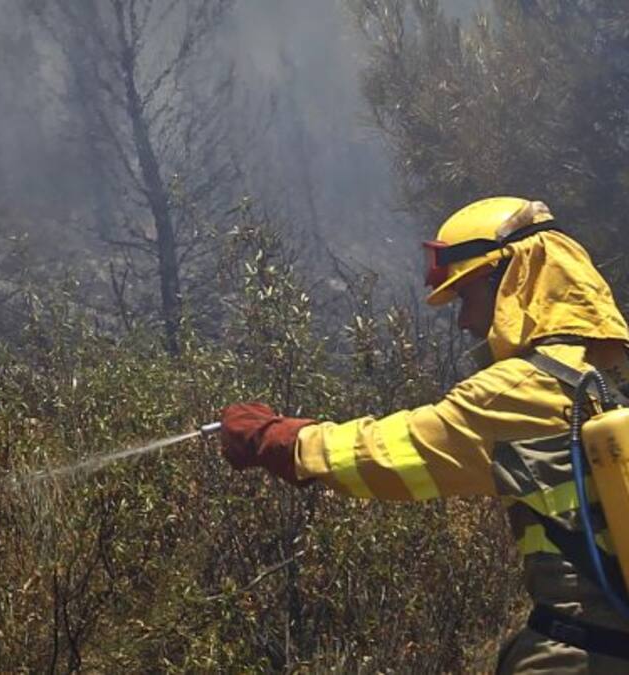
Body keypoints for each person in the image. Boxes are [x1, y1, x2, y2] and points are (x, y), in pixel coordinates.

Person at [219, 196, 629, 673]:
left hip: (581, 652)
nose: (465, 321)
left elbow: (392, 455)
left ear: (512, 279)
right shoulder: (609, 374)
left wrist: (279, 439)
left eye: (468, 297)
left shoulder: (518, 391)